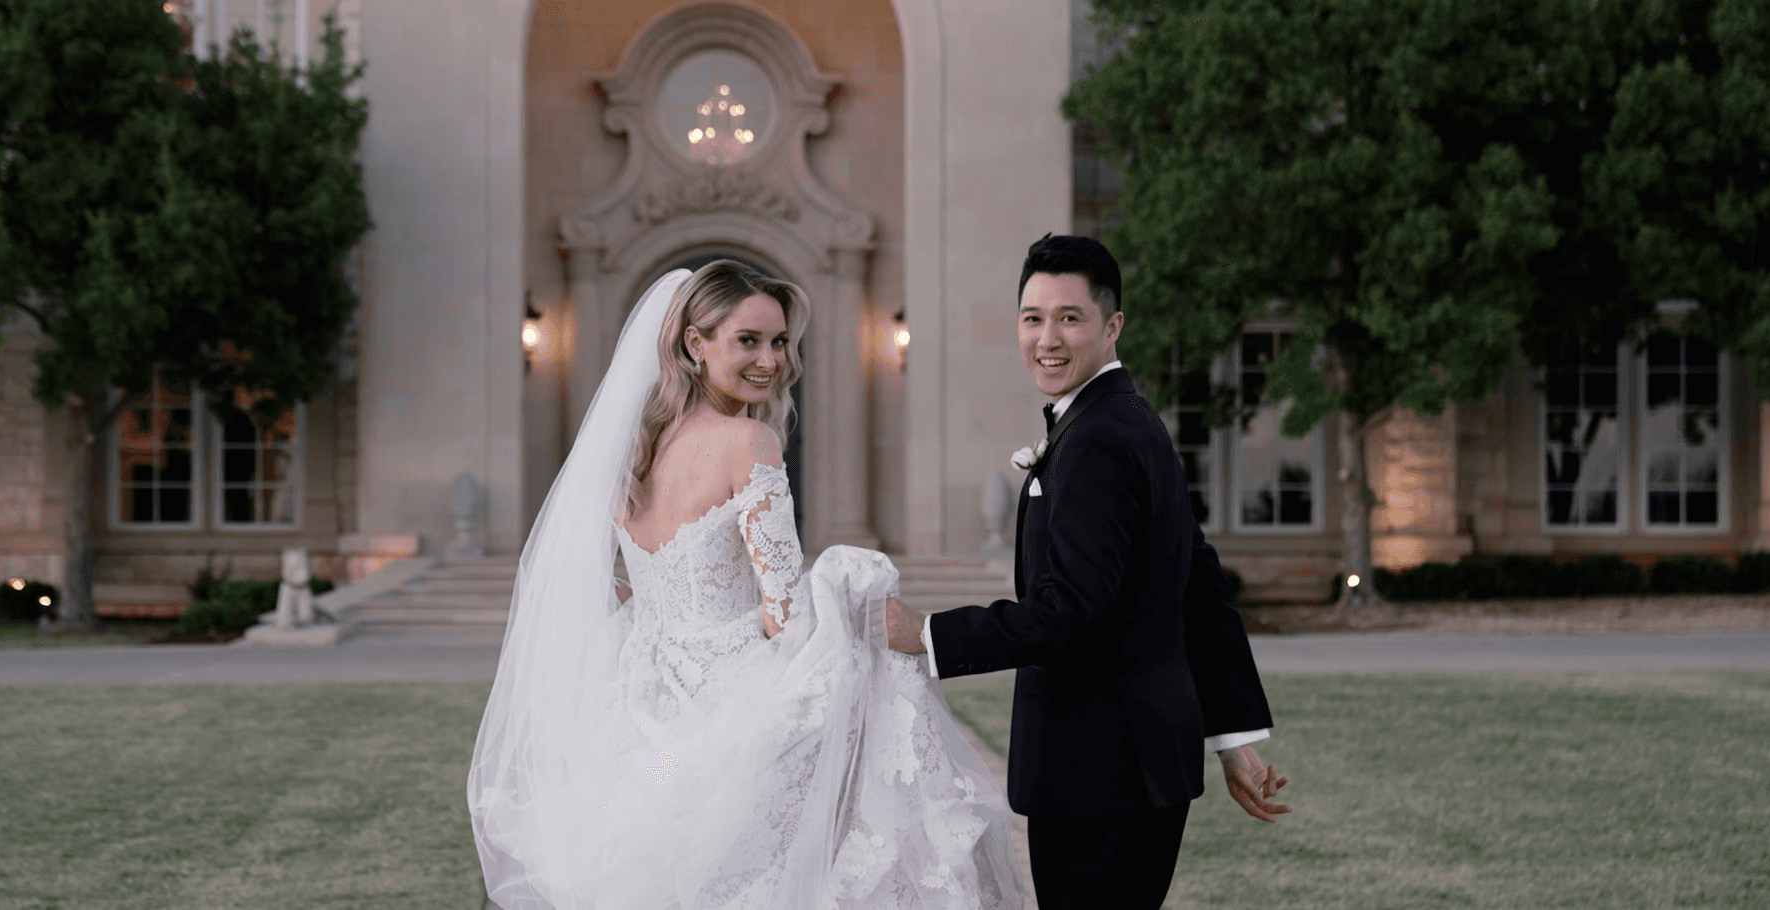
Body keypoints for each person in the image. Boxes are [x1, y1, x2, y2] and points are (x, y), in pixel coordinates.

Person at [467, 260, 1025, 909]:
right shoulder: (749, 440)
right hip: (735, 700)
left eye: (780, 341)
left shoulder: (633, 450)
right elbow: (784, 615)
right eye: (748, 341)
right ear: (695, 344)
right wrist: (843, 591)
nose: (771, 360)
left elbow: (618, 585)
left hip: (644, 703)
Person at [885, 233, 1290, 909]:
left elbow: (1071, 611)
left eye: (1069, 318)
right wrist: (1233, 737)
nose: (1047, 339)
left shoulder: (1099, 436)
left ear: (1112, 325)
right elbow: (1198, 579)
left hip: (1097, 773)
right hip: (1136, 769)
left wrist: (928, 634)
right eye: (1032, 318)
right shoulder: (1126, 420)